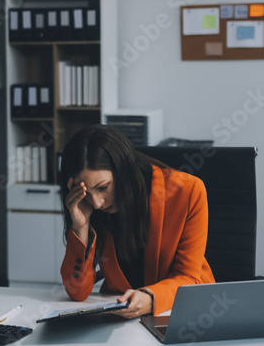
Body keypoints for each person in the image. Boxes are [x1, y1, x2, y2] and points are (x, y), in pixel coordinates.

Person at [59, 124, 215, 319]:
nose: (97, 203)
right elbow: (77, 292)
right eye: (86, 193)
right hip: (122, 318)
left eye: (103, 187)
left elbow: (190, 278)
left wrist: (150, 298)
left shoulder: (188, 191)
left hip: (185, 313)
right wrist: (80, 227)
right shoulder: (90, 208)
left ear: (124, 171)